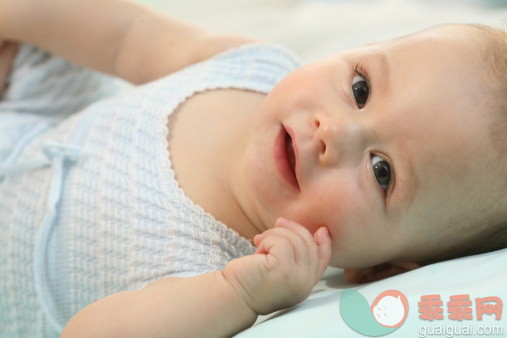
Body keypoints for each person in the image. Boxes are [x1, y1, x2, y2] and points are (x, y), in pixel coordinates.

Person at [0, 0, 505, 336]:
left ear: (378, 270)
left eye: (382, 172)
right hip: (33, 125)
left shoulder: (217, 278)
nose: (335, 133)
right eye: (360, 89)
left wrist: (238, 293)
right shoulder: (250, 69)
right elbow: (127, 39)